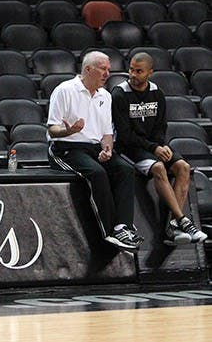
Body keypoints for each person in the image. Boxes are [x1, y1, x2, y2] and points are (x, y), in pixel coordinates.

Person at [47, 51, 142, 252]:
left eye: (109, 69)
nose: (108, 73)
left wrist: (107, 148)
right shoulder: (64, 90)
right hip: (66, 147)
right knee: (97, 173)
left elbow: (107, 133)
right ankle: (109, 231)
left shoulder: (105, 96)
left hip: (94, 148)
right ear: (88, 69)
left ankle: (123, 226)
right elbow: (52, 129)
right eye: (103, 68)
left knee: (125, 169)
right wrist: (69, 130)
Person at [111, 52, 207, 246]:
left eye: (139, 71)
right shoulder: (119, 93)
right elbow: (125, 134)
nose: (133, 74)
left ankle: (172, 225)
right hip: (129, 148)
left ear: (150, 72)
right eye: (131, 69)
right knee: (158, 168)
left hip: (152, 145)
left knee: (183, 167)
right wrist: (154, 148)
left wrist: (161, 145)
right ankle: (183, 221)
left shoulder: (157, 93)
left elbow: (161, 126)